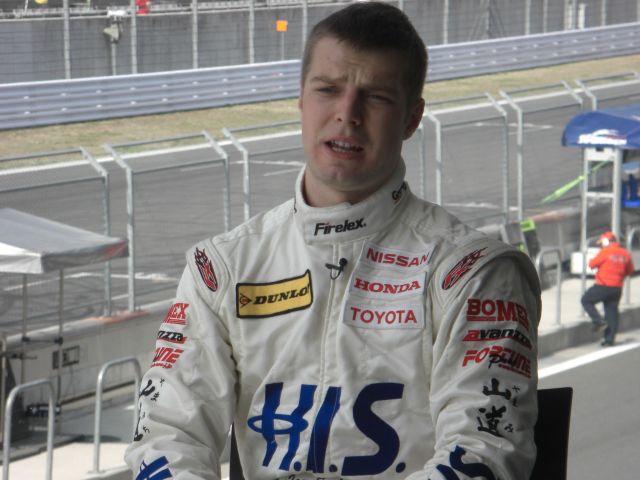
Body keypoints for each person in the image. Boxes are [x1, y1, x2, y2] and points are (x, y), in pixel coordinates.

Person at [125, 3, 542, 479]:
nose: (348, 114)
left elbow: (483, 454)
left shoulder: (473, 273)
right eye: (328, 90)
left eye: (377, 97)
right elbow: (163, 434)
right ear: (301, 99)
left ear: (411, 118)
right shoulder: (222, 267)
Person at [581, 231, 634, 346]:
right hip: (617, 288)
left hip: (603, 285)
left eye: (602, 242)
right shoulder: (625, 254)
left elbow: (592, 264)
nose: (601, 245)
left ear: (606, 241)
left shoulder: (605, 252)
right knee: (611, 312)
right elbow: (630, 271)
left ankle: (598, 320)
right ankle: (609, 340)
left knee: (586, 300)